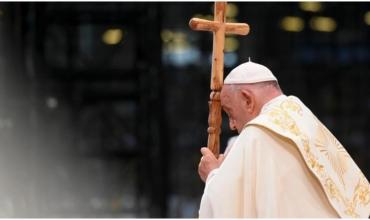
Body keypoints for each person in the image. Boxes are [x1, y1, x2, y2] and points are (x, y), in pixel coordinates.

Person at [198, 61, 370, 218]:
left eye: (230, 113)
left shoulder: (257, 133)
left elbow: (229, 207)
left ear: (247, 99)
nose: (232, 125)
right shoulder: (301, 115)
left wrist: (213, 175)